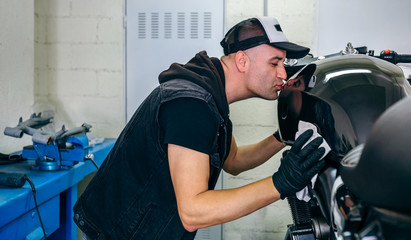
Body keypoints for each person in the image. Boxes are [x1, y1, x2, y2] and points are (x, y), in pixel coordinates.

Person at [73, 17, 326, 239]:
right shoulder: (192, 105)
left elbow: (234, 160)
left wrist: (283, 136)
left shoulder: (212, 97)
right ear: (242, 60)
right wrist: (280, 184)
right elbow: (193, 211)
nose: (283, 73)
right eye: (275, 63)